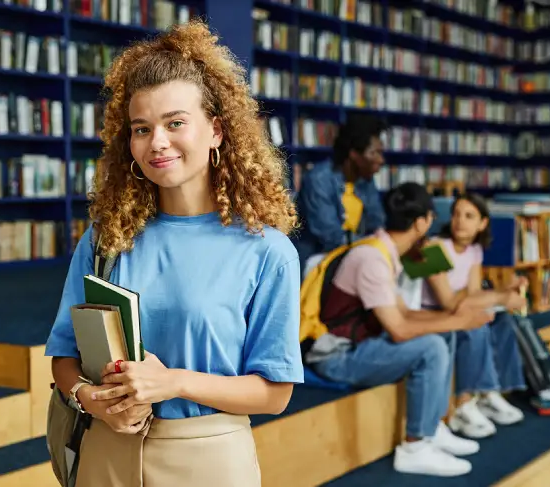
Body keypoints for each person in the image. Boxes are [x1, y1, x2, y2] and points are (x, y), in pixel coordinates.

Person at [44, 20, 303, 487]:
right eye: (141, 128)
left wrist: (174, 382)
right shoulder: (106, 239)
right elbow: (64, 356)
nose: (157, 142)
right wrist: (86, 396)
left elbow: (274, 394)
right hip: (106, 449)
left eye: (175, 123)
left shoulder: (268, 251)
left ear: (217, 131)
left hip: (207, 457)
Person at [307, 182, 494, 477]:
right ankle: (415, 447)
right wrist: (459, 320)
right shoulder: (372, 258)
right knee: (431, 346)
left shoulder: (384, 249)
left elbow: (404, 313)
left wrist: (451, 321)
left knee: (443, 333)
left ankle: (433, 426)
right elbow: (398, 330)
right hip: (338, 355)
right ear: (421, 223)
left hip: (363, 342)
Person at [422, 193, 527, 439]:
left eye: (469, 216)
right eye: (457, 214)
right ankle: (463, 404)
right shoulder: (434, 247)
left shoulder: (474, 251)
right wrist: (498, 297)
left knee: (502, 319)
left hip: (457, 307)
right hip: (431, 312)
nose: (460, 221)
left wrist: (501, 295)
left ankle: (491, 393)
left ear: (482, 223)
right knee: (475, 322)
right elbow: (447, 301)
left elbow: (473, 293)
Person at [293, 114, 389, 273]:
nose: (381, 160)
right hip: (317, 258)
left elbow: (376, 223)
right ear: (354, 154)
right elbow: (331, 237)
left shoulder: (365, 180)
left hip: (352, 254)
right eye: (375, 153)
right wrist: (372, 245)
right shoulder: (319, 179)